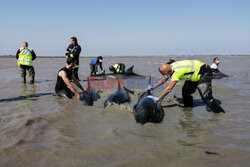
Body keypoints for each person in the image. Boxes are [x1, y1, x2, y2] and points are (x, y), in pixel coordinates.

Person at [148, 60, 225, 113]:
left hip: (204, 72)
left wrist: (158, 98)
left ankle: (220, 113)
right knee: (185, 92)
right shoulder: (171, 66)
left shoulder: (177, 72)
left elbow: (168, 89)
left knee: (206, 97)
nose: (165, 76)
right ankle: (188, 109)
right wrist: (152, 87)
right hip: (193, 74)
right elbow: (163, 80)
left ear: (169, 71)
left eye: (166, 74)